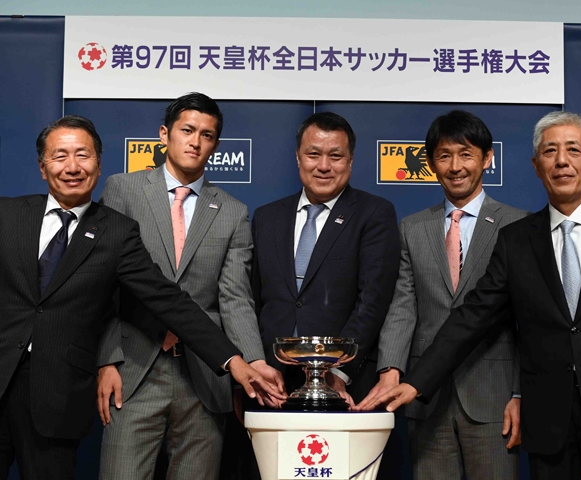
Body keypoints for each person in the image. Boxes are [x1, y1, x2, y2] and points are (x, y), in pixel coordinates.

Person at [0, 114, 284, 480]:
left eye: (83, 156)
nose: (72, 166)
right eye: (60, 156)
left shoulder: (116, 233)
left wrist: (235, 361)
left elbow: (169, 299)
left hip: (55, 398)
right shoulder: (7, 215)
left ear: (99, 165)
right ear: (42, 167)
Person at [361, 111, 581, 480]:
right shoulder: (519, 239)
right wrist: (417, 380)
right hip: (549, 421)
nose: (561, 161)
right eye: (549, 152)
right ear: (536, 166)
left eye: (573, 150)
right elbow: (472, 316)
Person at [95, 93, 284, 480]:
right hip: (133, 369)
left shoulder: (232, 211)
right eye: (187, 130)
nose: (196, 141)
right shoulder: (123, 190)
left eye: (207, 135)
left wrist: (253, 360)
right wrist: (106, 359)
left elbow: (234, 298)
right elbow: (103, 286)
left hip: (204, 375)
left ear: (216, 145)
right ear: (165, 134)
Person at [357, 110, 526, 480]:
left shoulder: (519, 226)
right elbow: (402, 307)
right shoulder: (412, 228)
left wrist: (519, 394)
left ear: (487, 158)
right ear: (431, 162)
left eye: (466, 154)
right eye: (444, 155)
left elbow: (528, 321)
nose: (455, 166)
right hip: (424, 399)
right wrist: (390, 371)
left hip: (492, 397)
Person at [251, 111, 401, 405]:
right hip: (271, 382)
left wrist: (338, 371)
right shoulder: (266, 217)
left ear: (350, 160)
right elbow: (251, 299)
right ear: (297, 157)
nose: (323, 166)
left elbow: (373, 301)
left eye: (335, 155)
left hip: (342, 384)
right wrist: (254, 366)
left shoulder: (374, 214)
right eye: (313, 154)